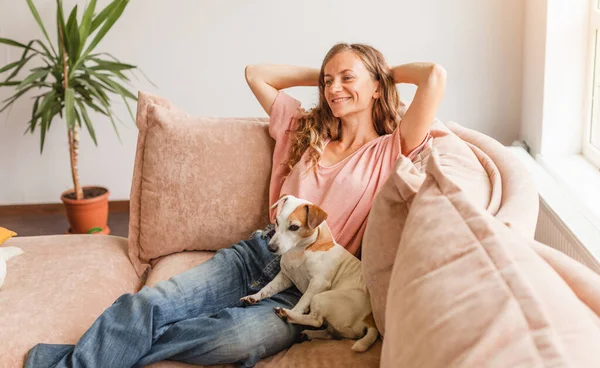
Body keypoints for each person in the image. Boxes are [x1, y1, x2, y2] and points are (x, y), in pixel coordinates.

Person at [24, 43, 446, 368]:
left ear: (377, 86)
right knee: (149, 303)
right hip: (255, 255)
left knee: (234, 340)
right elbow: (256, 74)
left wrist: (383, 72)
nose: (334, 89)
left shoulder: (394, 149)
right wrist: (331, 74)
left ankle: (78, 356)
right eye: (327, 80)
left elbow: (434, 76)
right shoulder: (305, 128)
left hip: (305, 287)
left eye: (347, 78)